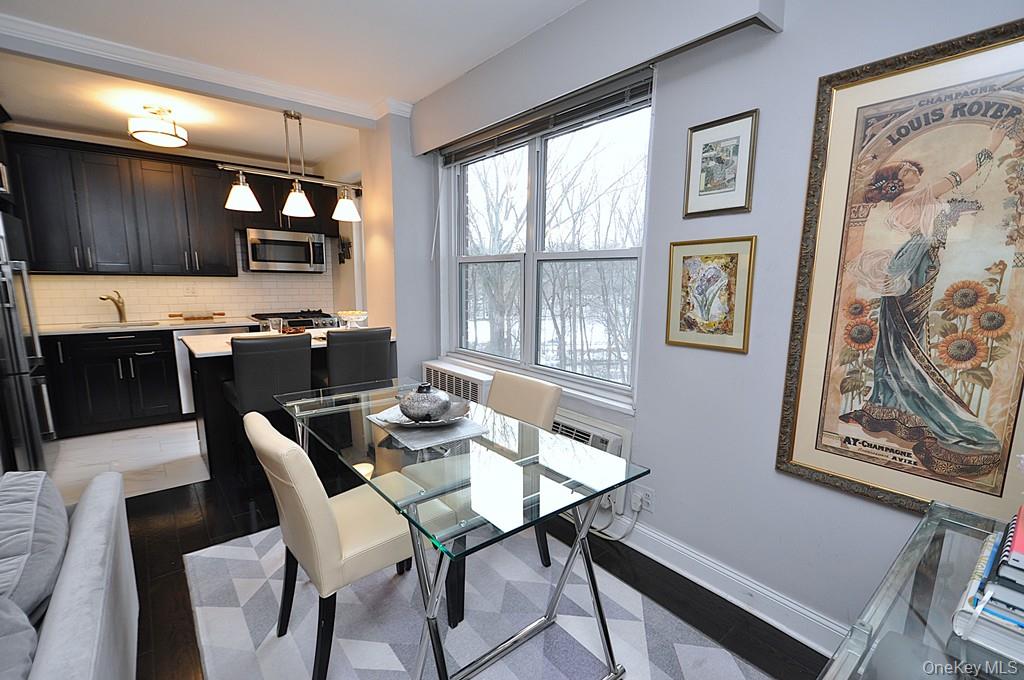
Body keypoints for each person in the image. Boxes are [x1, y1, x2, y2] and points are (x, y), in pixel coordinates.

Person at [840, 120, 1011, 476]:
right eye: (907, 169)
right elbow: (957, 177)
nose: (914, 171)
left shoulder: (919, 203)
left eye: (913, 169)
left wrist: (952, 215)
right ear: (895, 183)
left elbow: (939, 224)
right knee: (904, 335)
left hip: (921, 262)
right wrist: (992, 147)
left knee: (903, 336)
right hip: (913, 263)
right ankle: (908, 403)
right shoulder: (914, 199)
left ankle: (896, 404)